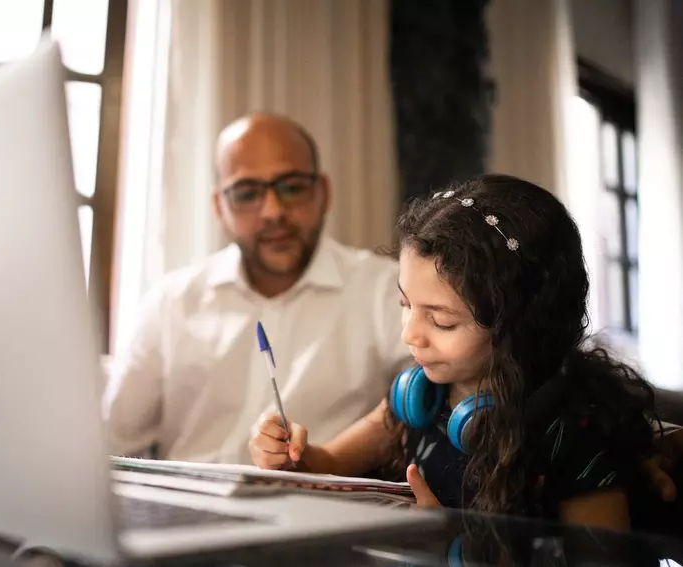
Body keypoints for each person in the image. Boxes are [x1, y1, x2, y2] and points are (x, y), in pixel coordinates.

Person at [249, 174, 658, 529]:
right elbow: (329, 465)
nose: (410, 334)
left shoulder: (572, 433)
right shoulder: (416, 398)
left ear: (520, 325)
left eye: (441, 321)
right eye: (405, 304)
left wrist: (449, 542)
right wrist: (289, 454)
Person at [104, 113, 410, 463]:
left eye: (292, 187)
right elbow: (114, 441)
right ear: (219, 207)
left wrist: (329, 460)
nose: (273, 211)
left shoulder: (387, 290)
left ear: (323, 192)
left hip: (321, 494)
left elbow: (427, 401)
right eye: (247, 193)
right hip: (188, 495)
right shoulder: (170, 303)